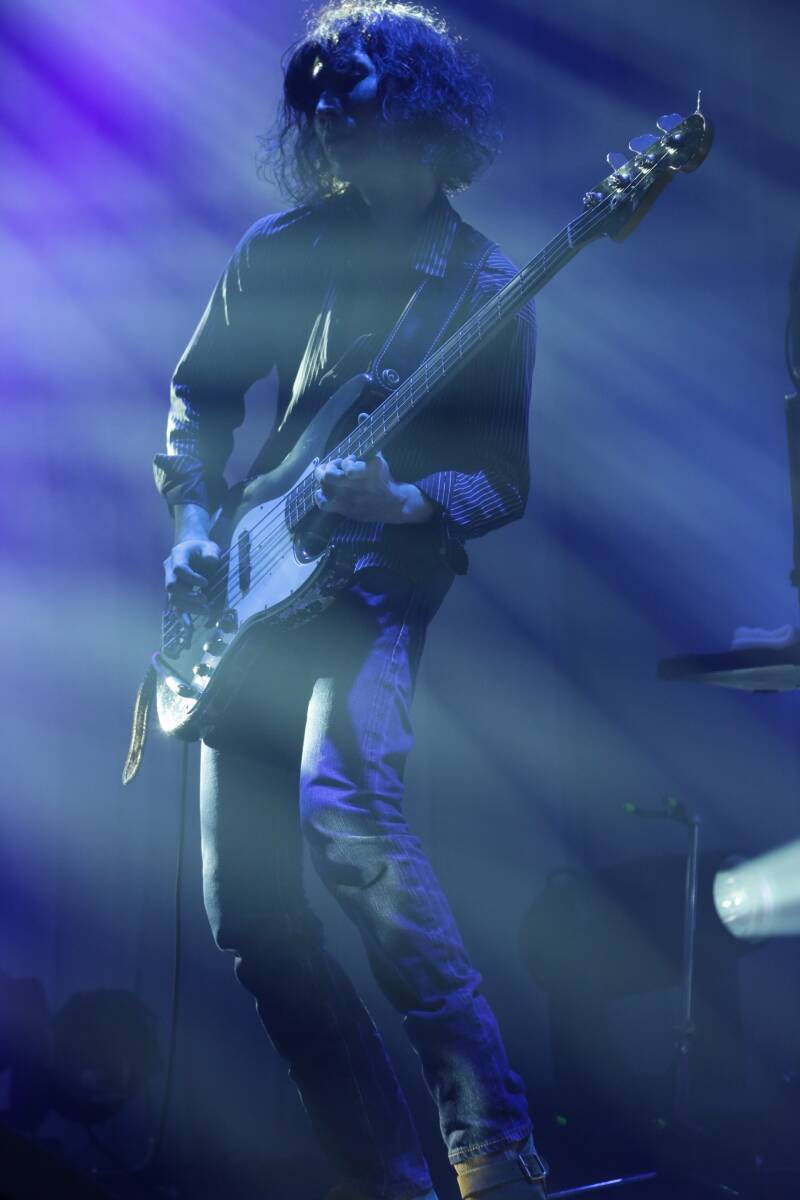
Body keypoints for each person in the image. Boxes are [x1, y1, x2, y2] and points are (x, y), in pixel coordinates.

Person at [154, 3, 545, 1198]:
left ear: (421, 111)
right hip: (250, 589)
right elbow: (197, 403)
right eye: (314, 100)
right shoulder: (278, 249)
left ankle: (493, 1153)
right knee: (248, 921)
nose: (327, 115)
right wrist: (194, 526)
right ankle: (385, 1178)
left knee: (351, 820)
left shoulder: (485, 285)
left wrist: (407, 500)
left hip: (373, 589)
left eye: (353, 93)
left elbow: (504, 482)